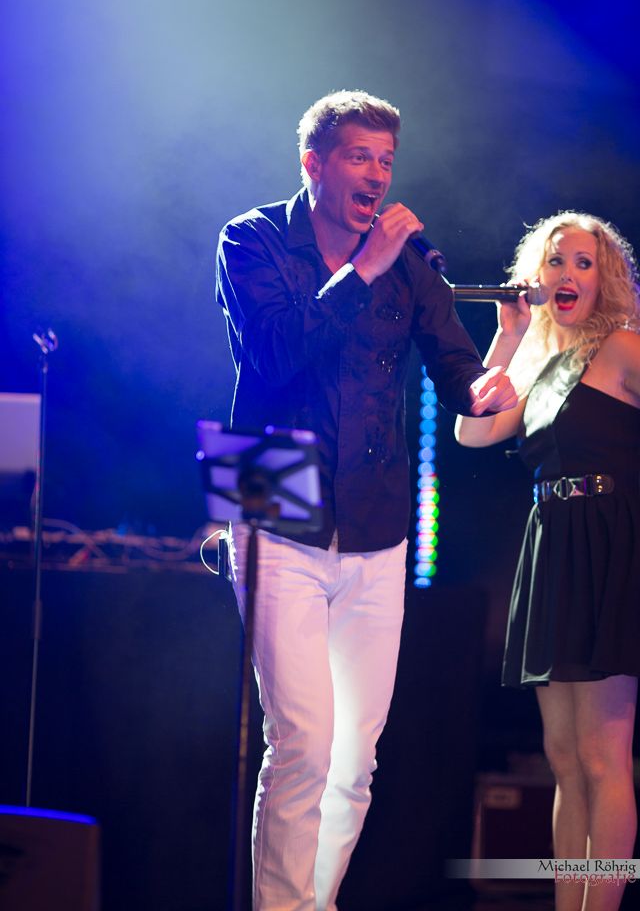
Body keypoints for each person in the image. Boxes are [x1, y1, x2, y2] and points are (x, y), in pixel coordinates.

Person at [215, 89, 517, 911]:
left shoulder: (409, 260)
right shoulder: (250, 239)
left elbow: (454, 363)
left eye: (387, 160)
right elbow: (273, 353)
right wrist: (363, 272)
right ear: (313, 164)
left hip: (378, 520)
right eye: (360, 157)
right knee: (303, 741)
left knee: (355, 757)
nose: (378, 175)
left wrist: (486, 386)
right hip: (271, 494)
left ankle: (314, 903)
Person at [455, 212, 640, 911]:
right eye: (557, 261)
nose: (568, 273)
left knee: (603, 758)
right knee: (564, 760)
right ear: (537, 276)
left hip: (609, 550)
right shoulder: (538, 363)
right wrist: (508, 337)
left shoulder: (623, 347)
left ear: (605, 278)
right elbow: (472, 432)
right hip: (554, 547)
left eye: (584, 263)